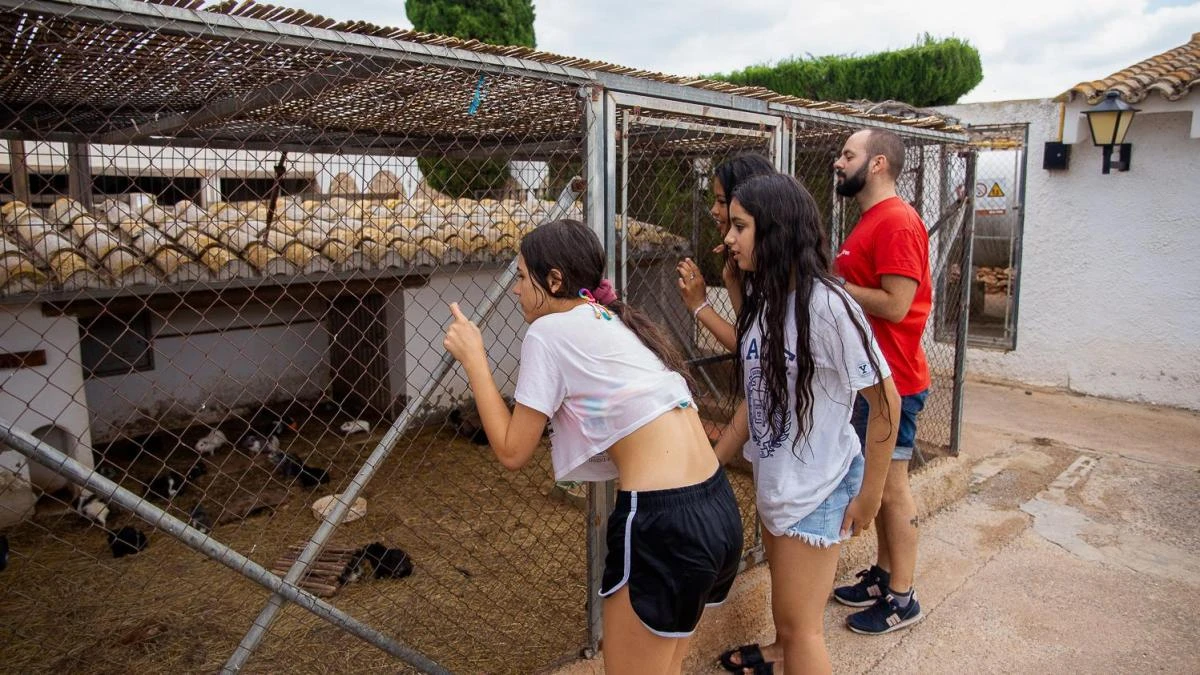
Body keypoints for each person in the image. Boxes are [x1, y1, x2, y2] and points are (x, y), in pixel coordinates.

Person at [442, 219, 743, 674]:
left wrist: (474, 359)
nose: (516, 289)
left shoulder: (548, 332)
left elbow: (511, 451)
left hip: (665, 521)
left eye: (522, 276)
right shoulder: (606, 317)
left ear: (555, 280)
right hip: (717, 506)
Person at [712, 174, 900, 674]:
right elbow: (757, 403)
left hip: (816, 492)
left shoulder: (829, 306)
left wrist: (871, 496)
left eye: (740, 226)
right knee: (790, 625)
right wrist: (712, 465)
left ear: (775, 230)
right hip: (779, 486)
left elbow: (886, 404)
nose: (729, 239)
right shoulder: (765, 301)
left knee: (800, 633)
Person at [830, 128, 933, 635]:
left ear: (877, 164)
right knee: (887, 485)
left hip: (896, 382)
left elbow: (896, 303)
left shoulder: (896, 222)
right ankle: (884, 575)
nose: (837, 162)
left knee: (891, 490)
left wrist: (837, 288)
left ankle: (902, 597)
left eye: (848, 154)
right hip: (873, 378)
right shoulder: (873, 220)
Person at [676, 153, 777, 351]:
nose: (713, 210)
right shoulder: (748, 264)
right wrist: (731, 278)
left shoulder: (775, 272)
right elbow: (750, 329)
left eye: (722, 202)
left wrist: (699, 305)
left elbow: (750, 346)